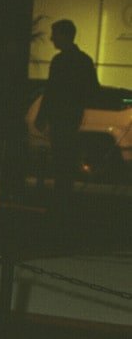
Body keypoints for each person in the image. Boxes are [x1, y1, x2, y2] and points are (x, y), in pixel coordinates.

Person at [36, 19, 98, 213]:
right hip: (72, 117)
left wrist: (42, 115)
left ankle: (60, 201)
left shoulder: (59, 61)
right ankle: (64, 200)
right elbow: (93, 90)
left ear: (64, 35)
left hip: (59, 117)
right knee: (67, 159)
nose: (52, 38)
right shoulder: (84, 61)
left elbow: (51, 90)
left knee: (60, 159)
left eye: (55, 34)